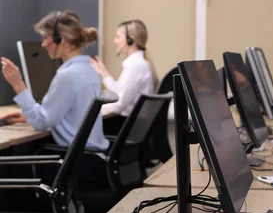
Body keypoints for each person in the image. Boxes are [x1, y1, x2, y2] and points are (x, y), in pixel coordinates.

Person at [0, 10, 108, 150]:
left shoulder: (68, 76)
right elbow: (59, 113)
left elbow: (41, 122)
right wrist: (29, 115)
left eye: (45, 37)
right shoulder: (89, 68)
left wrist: (17, 84)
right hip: (89, 158)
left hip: (73, 163)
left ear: (60, 38)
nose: (43, 44)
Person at [90, 19, 157, 122]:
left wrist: (91, 111)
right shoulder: (139, 63)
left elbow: (118, 105)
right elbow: (119, 93)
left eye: (117, 37)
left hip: (126, 124)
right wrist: (103, 73)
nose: (114, 41)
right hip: (131, 123)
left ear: (130, 39)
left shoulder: (135, 66)